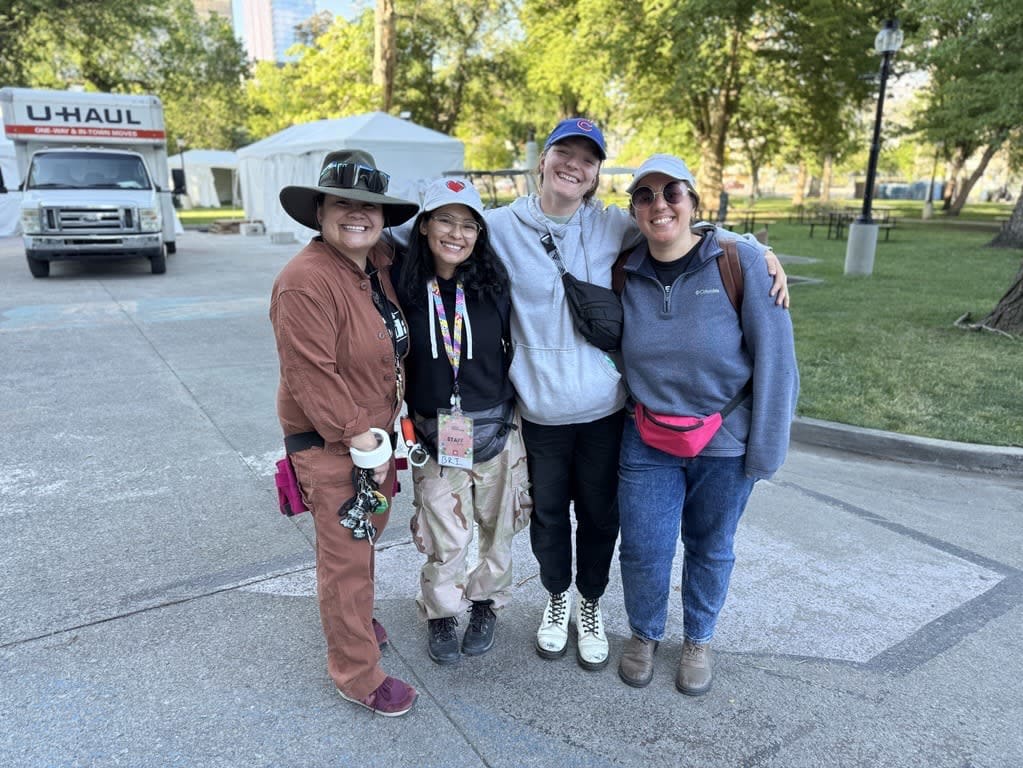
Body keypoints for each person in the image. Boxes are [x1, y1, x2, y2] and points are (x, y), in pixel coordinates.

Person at [483, 118, 790, 672]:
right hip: (558, 413)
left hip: (621, 416)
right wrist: (365, 236)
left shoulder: (617, 231)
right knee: (564, 520)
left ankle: (628, 617)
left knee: (621, 524)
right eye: (563, 152)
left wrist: (751, 246)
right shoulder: (504, 227)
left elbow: (688, 233)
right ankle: (571, 604)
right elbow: (438, 232)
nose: (573, 165)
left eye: (587, 158)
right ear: (543, 160)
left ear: (598, 173)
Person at [614, 154, 799, 695]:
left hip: (726, 443)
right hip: (647, 436)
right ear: (634, 211)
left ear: (695, 202)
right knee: (645, 547)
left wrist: (764, 451)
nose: (659, 205)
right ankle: (645, 633)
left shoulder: (740, 262)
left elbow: (777, 362)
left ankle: (698, 638)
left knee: (711, 546)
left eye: (672, 192)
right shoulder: (624, 269)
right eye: (645, 196)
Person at [269, 149, 420, 717]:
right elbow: (311, 376)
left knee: (367, 534)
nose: (356, 215)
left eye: (369, 207)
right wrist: (365, 445)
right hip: (337, 442)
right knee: (347, 558)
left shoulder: (375, 262)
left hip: (377, 434)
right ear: (320, 212)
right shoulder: (304, 282)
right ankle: (357, 673)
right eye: (342, 205)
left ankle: (354, 621)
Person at [395, 178, 532, 665]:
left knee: (499, 530)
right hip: (435, 434)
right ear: (425, 225)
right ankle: (440, 613)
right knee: (444, 535)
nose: (456, 233)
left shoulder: (495, 282)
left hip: (497, 429)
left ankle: (486, 605)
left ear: (480, 232)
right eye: (445, 220)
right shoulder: (403, 282)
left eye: (468, 224)